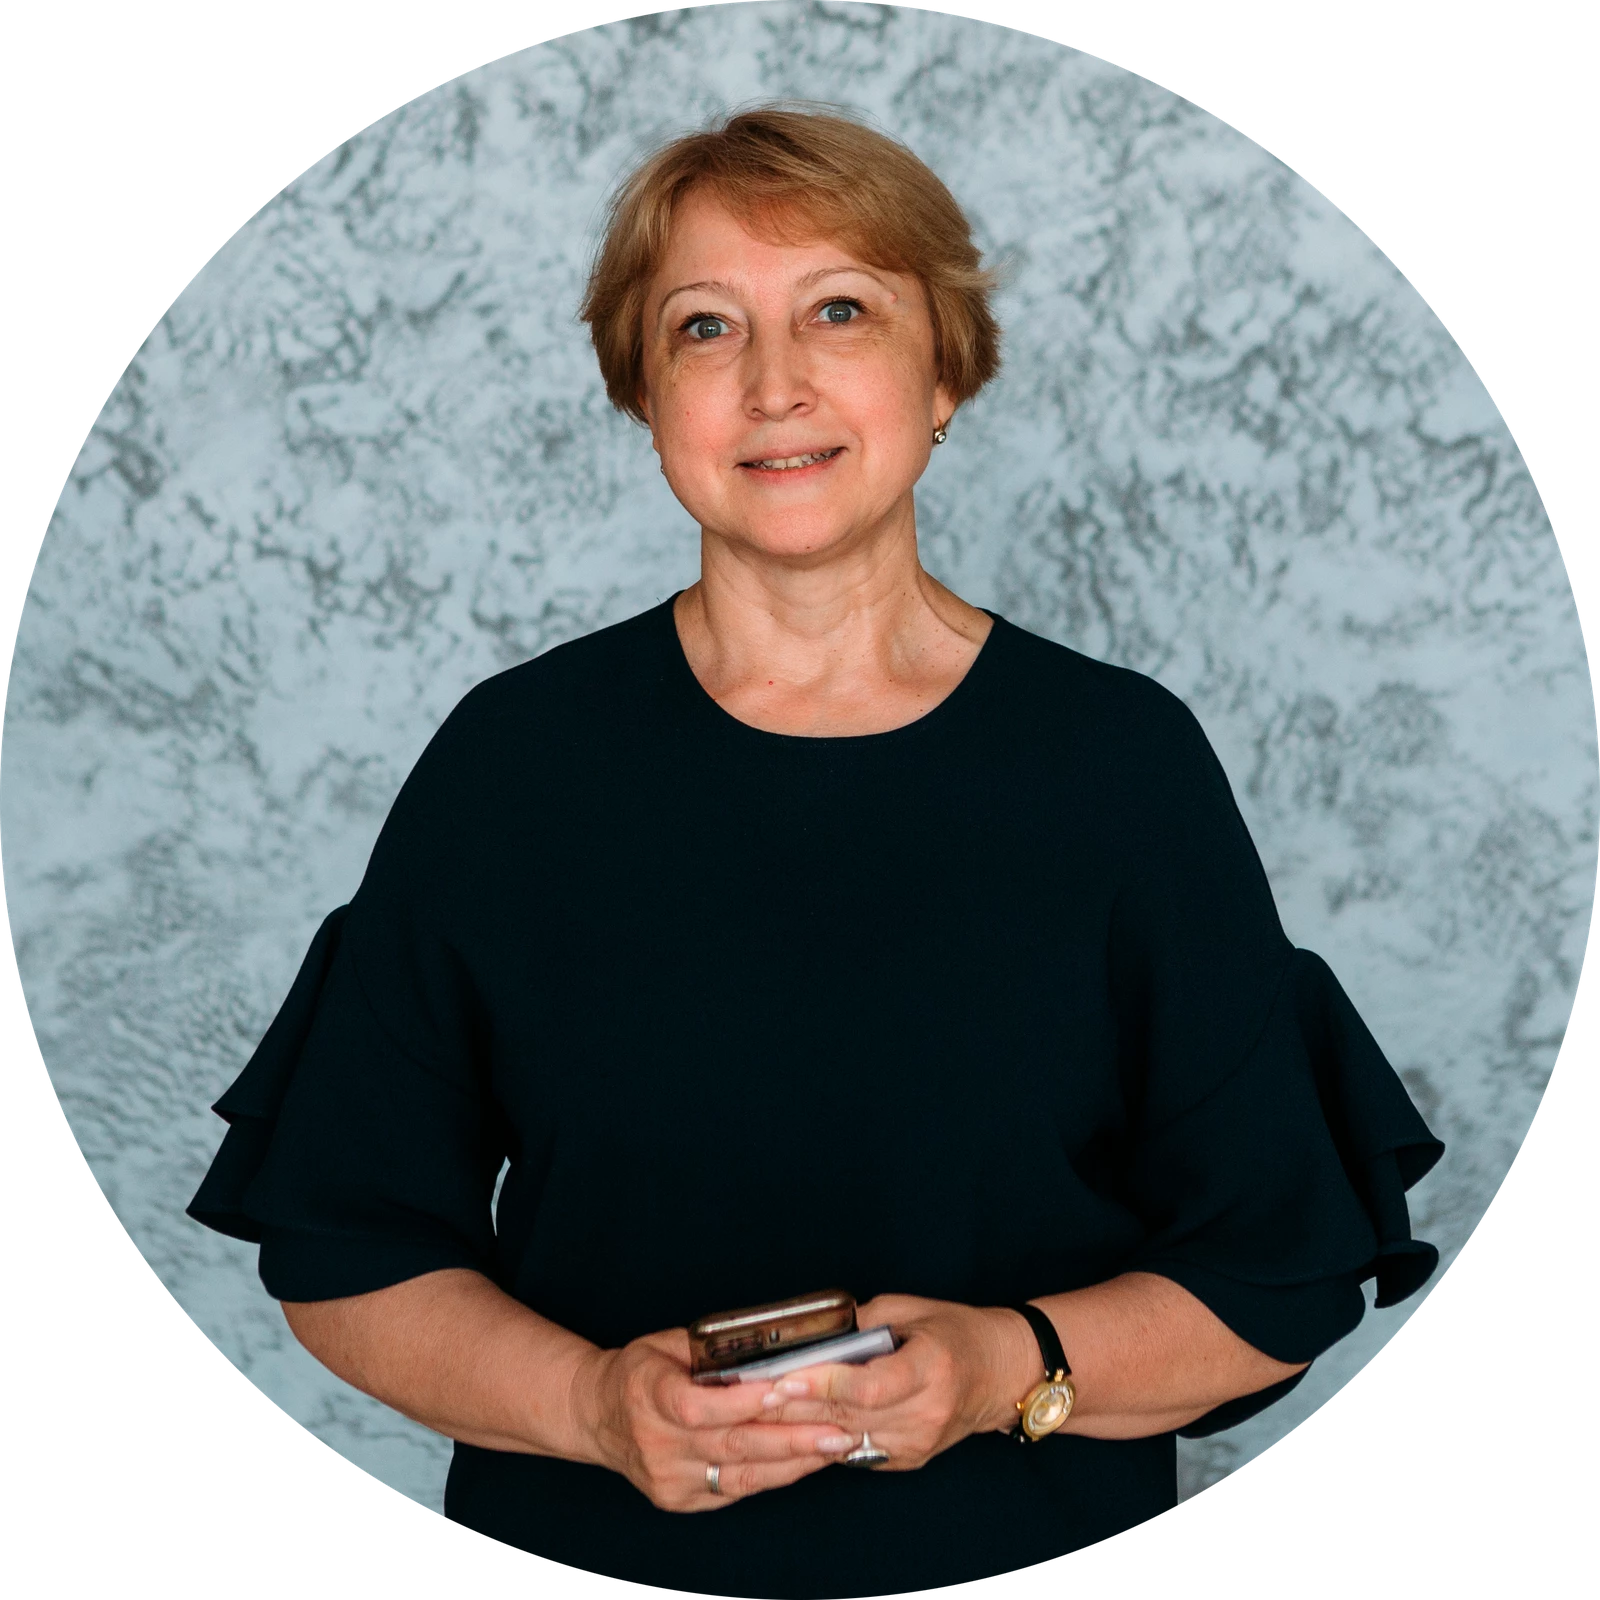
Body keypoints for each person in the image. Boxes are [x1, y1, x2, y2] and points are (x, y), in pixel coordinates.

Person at [189, 105, 1443, 1598]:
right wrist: (591, 1408)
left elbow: (1277, 1267)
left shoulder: (1121, 767)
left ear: (945, 373)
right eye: (704, 327)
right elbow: (347, 1249)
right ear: (646, 394)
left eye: (840, 310)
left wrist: (1005, 1368)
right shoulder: (512, 766)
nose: (773, 382)